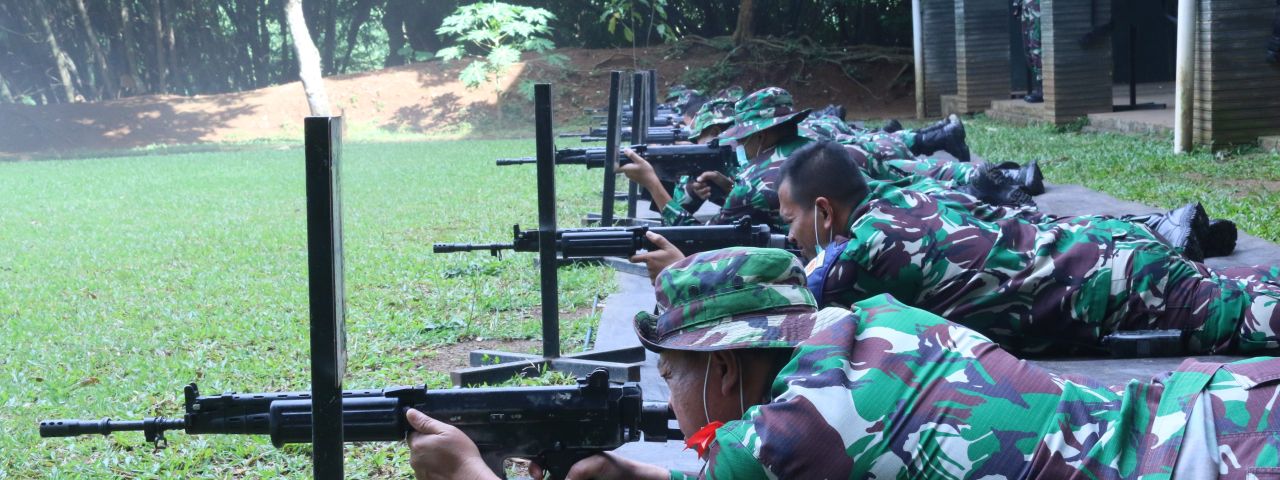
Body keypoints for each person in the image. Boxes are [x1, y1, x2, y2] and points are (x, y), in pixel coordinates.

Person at [407, 247, 1280, 479]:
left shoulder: (785, 439)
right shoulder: (871, 327)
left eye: (671, 372)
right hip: (1221, 412)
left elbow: (787, 453)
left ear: (723, 367)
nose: (667, 396)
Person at [776, 141, 1280, 355]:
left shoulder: (862, 258)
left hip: (1113, 286)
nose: (790, 236)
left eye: (790, 219)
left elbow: (787, 309)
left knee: (1260, 319)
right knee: (1243, 290)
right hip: (1110, 247)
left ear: (823, 211)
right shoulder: (906, 197)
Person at [1014, 0, 1043, 103]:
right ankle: (1039, 87)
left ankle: (1043, 89)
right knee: (1029, 48)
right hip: (1026, 5)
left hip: (1037, 4)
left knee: (1037, 46)